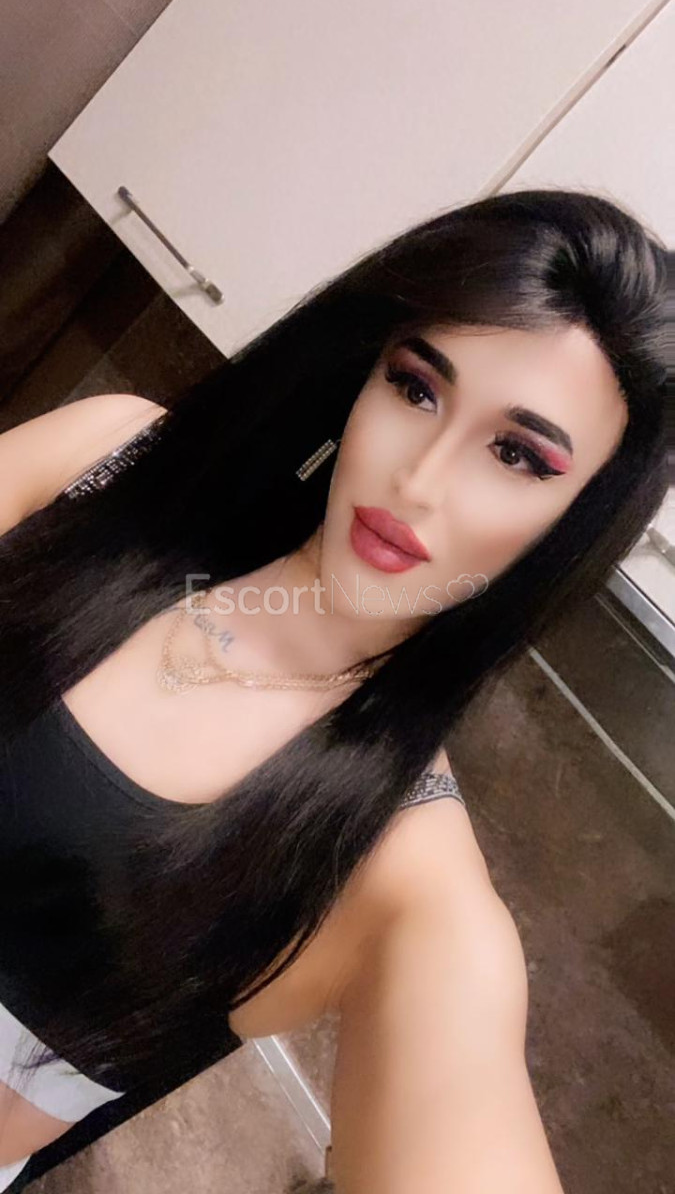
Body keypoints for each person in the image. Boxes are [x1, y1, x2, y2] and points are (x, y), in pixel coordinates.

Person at [0, 188, 668, 1193]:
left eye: (516, 454)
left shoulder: (400, 875)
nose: (420, 480)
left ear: (572, 521)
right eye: (415, 388)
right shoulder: (107, 465)